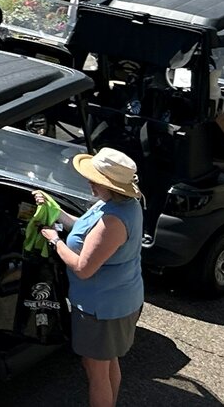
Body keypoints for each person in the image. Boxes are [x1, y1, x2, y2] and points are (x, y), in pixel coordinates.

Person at [36, 148, 144, 407]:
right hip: (117, 302)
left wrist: (55, 241)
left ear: (109, 184)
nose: (89, 182)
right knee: (107, 362)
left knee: (96, 373)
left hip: (103, 309)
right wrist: (54, 209)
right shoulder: (117, 204)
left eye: (94, 179)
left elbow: (83, 268)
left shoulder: (113, 221)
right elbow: (82, 226)